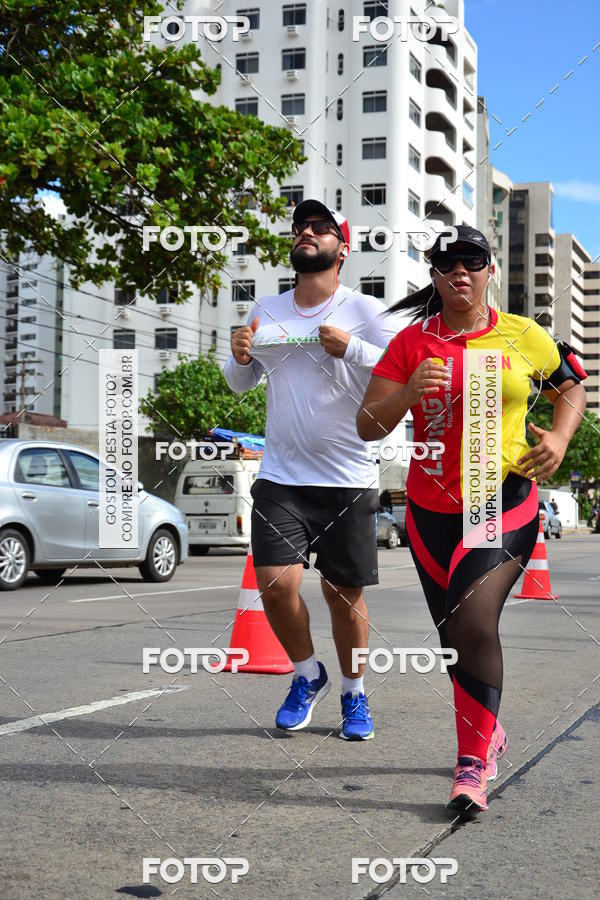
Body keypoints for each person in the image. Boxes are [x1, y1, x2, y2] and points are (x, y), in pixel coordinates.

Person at [357, 225, 587, 810]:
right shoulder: (412, 343)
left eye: (473, 260)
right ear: (433, 275)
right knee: (453, 639)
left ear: (489, 271)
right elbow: (368, 425)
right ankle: (488, 730)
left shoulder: (521, 335)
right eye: (447, 262)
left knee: (473, 620)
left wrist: (559, 438)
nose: (461, 270)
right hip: (429, 509)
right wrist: (407, 393)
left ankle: (469, 765)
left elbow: (571, 388)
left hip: (499, 496)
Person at [225, 199, 401, 740]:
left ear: (342, 249)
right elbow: (239, 383)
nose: (307, 232)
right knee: (275, 585)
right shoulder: (269, 308)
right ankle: (307, 675)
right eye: (301, 226)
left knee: (342, 596)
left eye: (320, 228)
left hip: (348, 477)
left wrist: (350, 349)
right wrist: (239, 355)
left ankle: (354, 694)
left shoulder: (366, 311)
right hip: (281, 477)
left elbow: (401, 367)